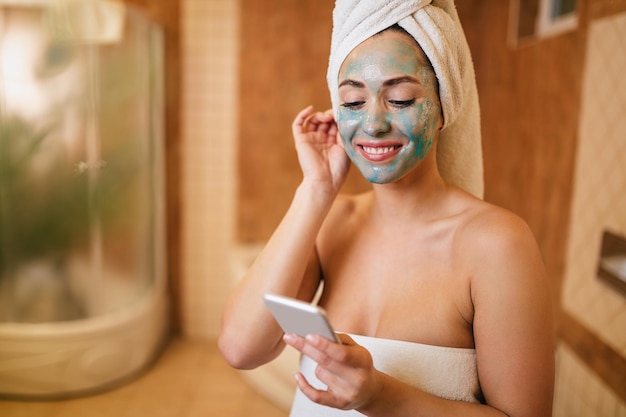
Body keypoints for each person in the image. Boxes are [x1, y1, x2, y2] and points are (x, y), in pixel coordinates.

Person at [219, 1, 555, 416]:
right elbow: (240, 348)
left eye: (399, 98)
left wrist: (381, 397)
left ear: (443, 106)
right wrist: (316, 189)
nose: (373, 123)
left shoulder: (497, 245)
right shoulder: (333, 222)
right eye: (354, 102)